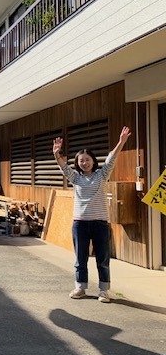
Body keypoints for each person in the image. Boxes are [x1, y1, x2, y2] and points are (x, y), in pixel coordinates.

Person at [52, 126, 131, 303]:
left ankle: (104, 291)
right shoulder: (76, 178)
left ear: (93, 161)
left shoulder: (102, 175)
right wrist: (56, 154)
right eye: (81, 160)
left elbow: (111, 159)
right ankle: (80, 287)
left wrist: (121, 142)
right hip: (80, 224)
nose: (84, 163)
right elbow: (64, 168)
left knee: (102, 259)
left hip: (100, 224)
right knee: (80, 259)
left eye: (87, 160)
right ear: (77, 163)